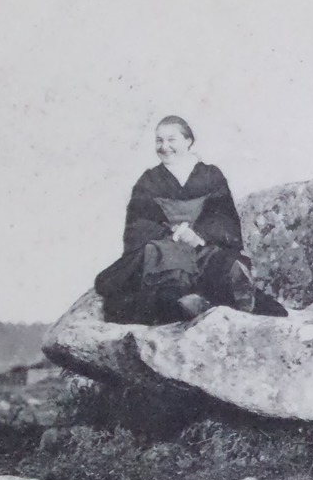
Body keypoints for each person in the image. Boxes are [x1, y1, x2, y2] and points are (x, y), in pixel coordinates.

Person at [94, 116, 284, 324]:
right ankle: (183, 302)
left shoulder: (211, 175)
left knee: (222, 261)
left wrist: (199, 235)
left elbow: (223, 216)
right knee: (163, 259)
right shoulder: (148, 180)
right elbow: (138, 225)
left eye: (171, 139)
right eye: (159, 140)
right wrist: (172, 233)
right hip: (166, 246)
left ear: (188, 141)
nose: (164, 146)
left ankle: (237, 294)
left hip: (201, 245)